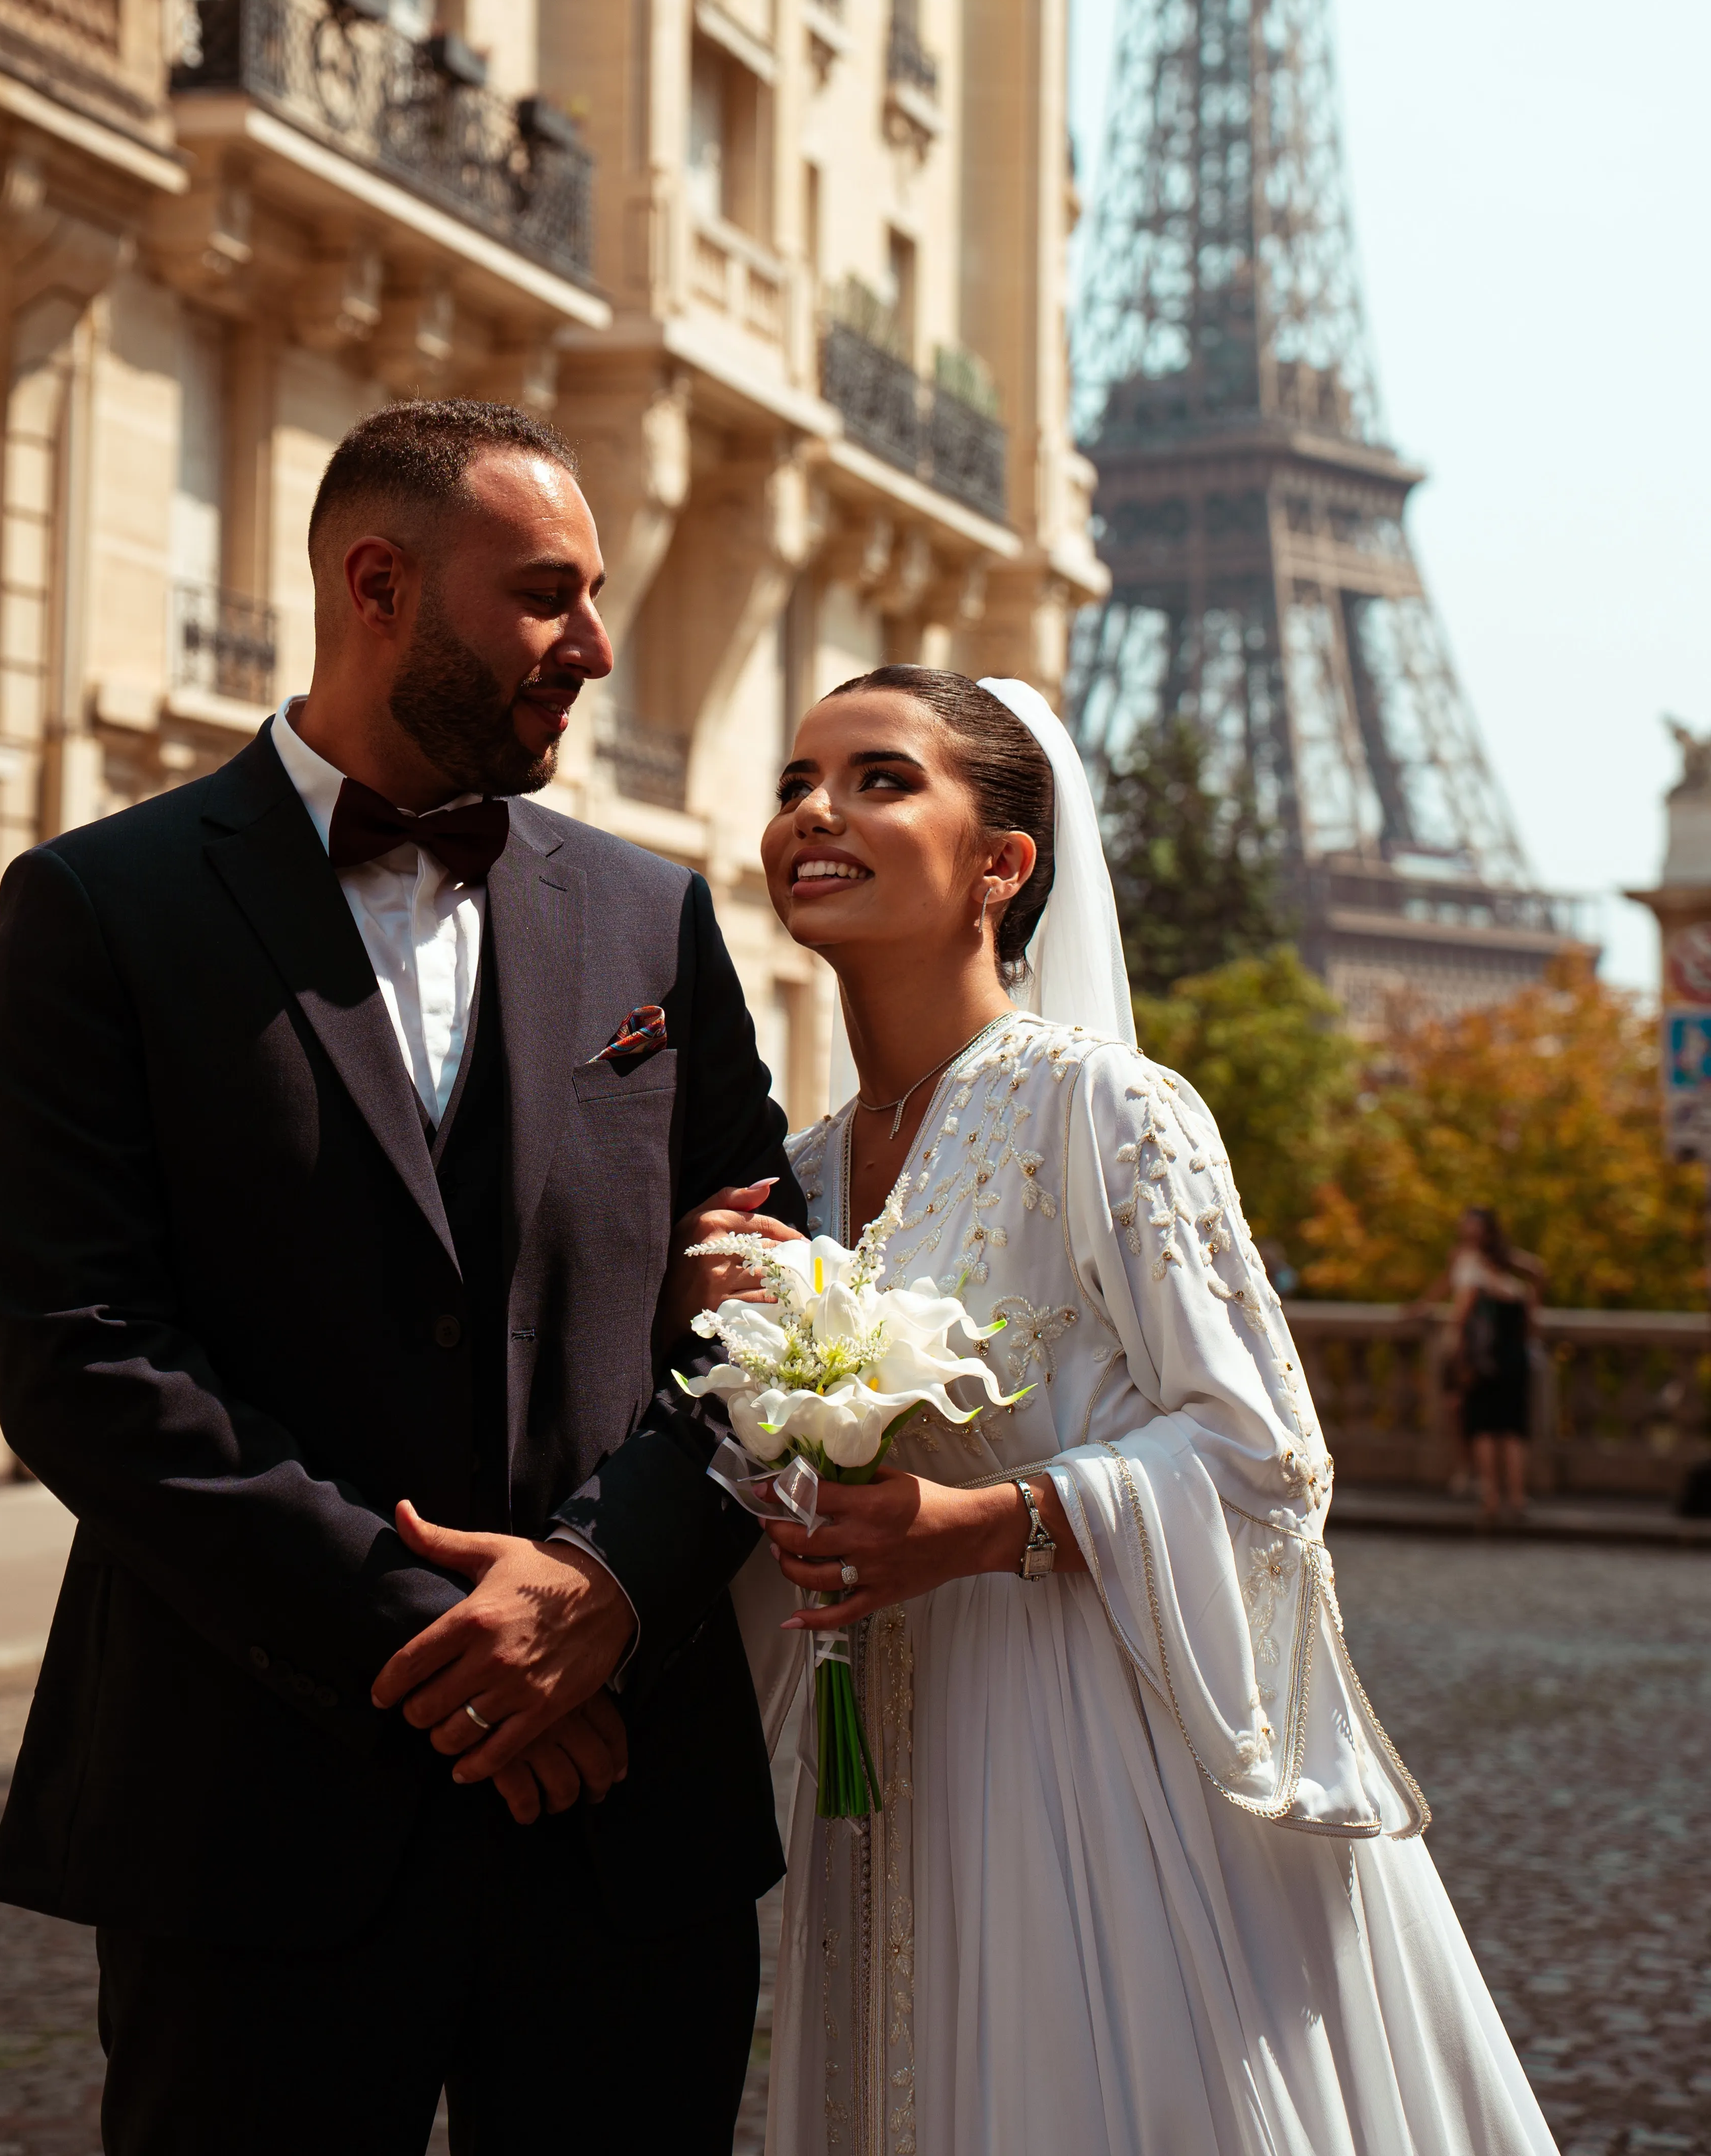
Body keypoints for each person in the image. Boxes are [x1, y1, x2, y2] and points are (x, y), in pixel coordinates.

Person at [0, 399, 803, 2156]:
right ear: (376, 585)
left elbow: (774, 1307)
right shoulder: (99, 907)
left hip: (624, 1804)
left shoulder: (656, 918)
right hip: (248, 1808)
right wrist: (455, 1648)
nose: (594, 646)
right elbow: (81, 1355)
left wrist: (607, 1585)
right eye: (547, 594)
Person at [665, 665, 1558, 2156]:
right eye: (795, 782)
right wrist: (715, 1342)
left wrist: (990, 1522)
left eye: (881, 779)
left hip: (1092, 1762)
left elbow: (1265, 1453)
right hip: (883, 1776)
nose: (815, 810)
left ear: (1001, 865)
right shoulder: (798, 1179)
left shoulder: (1110, 1108)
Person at [1448, 1204, 1541, 1524]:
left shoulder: (1478, 1283)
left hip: (1485, 1363)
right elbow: (1532, 1326)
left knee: (1484, 1429)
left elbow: (1461, 1319)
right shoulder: (1519, 1291)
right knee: (1513, 1431)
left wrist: (1458, 1358)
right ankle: (1517, 1496)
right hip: (1515, 1362)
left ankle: (1491, 1497)